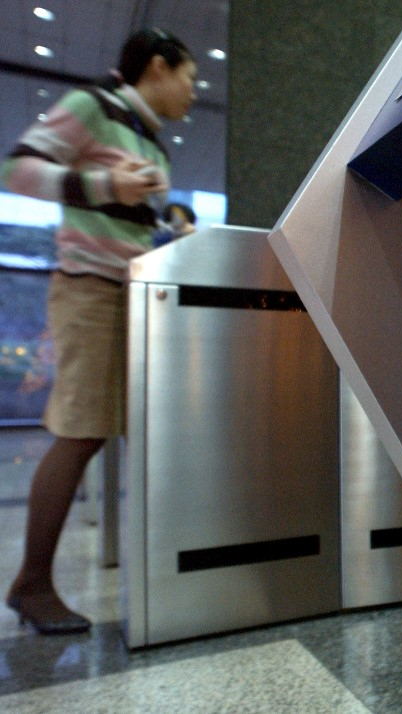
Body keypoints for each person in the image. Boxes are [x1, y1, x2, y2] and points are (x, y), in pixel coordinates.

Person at [1, 28, 196, 634]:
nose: (193, 91)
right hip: (90, 291)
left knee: (147, 434)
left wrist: (170, 233)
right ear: (158, 67)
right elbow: (16, 170)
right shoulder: (93, 106)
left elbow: (126, 226)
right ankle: (32, 584)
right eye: (189, 77)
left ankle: (166, 576)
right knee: (81, 431)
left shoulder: (150, 139)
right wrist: (108, 184)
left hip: (133, 293)